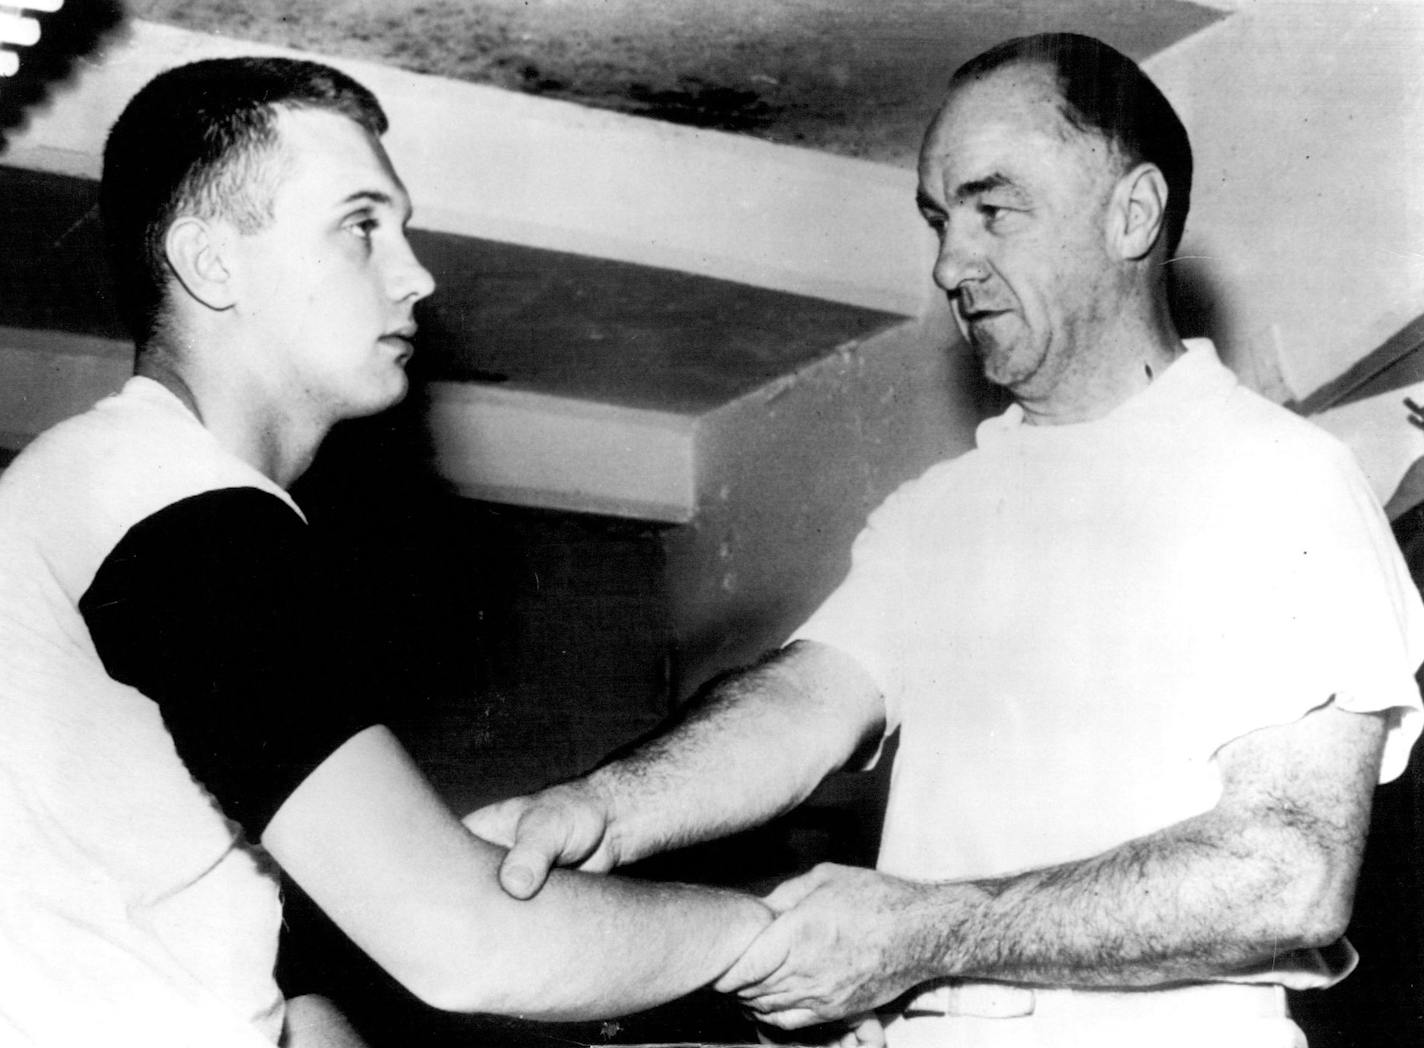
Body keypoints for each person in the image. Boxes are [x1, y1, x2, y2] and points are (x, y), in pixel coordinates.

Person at [467, 33, 1424, 1048]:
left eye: (992, 210)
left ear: (1129, 213)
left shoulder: (1273, 474)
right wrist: (598, 809)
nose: (948, 263)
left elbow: (1285, 875)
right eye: (937, 218)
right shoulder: (944, 507)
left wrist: (924, 932)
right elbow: (801, 703)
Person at [0, 57, 773, 1048]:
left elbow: (278, 992)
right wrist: (763, 938)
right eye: (361, 225)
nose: (416, 273)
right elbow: (460, 941)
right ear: (212, 261)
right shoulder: (164, 504)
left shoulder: (110, 492)